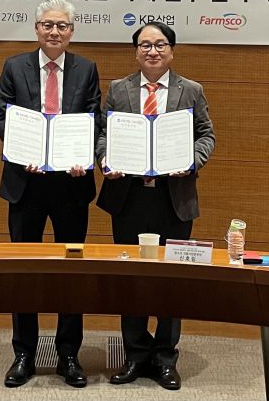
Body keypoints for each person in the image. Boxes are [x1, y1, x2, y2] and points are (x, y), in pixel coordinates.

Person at [96, 21, 215, 391]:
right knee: (131, 278)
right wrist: (105, 160)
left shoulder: (191, 90)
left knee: (171, 280)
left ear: (172, 51)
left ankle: (165, 357)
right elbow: (103, 134)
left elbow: (206, 135)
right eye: (145, 45)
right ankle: (134, 354)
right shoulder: (119, 89)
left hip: (173, 199)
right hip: (129, 198)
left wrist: (191, 160)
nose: (152, 51)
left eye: (160, 44)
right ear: (136, 52)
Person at [0, 0, 101, 388]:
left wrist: (83, 157)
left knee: (71, 272)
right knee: (24, 271)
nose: (55, 32)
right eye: (48, 25)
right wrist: (23, 153)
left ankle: (68, 354)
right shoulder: (14, 66)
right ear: (36, 29)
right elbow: (2, 118)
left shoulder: (86, 68)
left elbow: (93, 119)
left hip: (71, 184)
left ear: (71, 31)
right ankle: (23, 353)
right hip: (25, 184)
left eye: (62, 26)